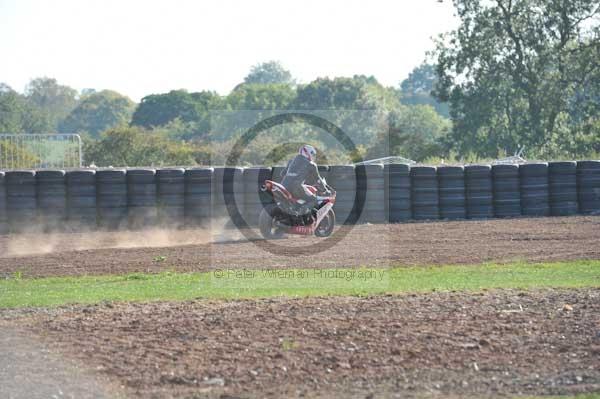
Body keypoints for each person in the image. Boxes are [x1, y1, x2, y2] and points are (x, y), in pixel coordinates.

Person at [280, 144, 327, 213]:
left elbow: (282, 174)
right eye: (312, 154)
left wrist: (292, 175)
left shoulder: (291, 161)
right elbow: (318, 179)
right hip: (296, 188)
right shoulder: (311, 164)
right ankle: (302, 214)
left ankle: (296, 211)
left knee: (300, 199)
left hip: (283, 186)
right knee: (313, 199)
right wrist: (324, 190)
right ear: (307, 152)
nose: (313, 156)